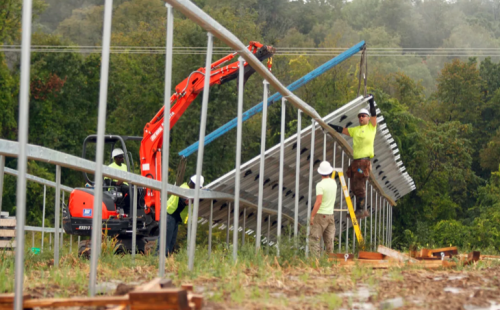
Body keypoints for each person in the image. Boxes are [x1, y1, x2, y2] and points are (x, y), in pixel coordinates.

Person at [329, 95, 377, 219]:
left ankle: (361, 210)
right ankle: (358, 209)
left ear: (367, 118)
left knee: (360, 184)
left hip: (364, 162)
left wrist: (371, 102)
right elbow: (342, 130)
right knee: (354, 185)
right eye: (359, 116)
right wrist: (329, 125)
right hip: (356, 163)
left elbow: (374, 114)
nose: (361, 118)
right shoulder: (355, 130)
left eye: (363, 116)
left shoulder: (371, 128)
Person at [157, 175, 204, 256]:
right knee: (165, 242)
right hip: (168, 215)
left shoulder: (189, 190)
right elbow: (186, 201)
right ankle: (157, 260)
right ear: (193, 184)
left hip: (174, 217)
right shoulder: (184, 189)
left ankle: (165, 261)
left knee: (171, 242)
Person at [310, 161, 337, 257]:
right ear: (329, 172)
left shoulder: (320, 185)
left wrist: (312, 215)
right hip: (330, 216)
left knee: (314, 240)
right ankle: (330, 262)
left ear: (320, 172)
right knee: (329, 241)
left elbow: (318, 202)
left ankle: (315, 262)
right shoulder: (334, 183)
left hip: (320, 215)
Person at [105, 148, 130, 214]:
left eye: (122, 157)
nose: (122, 158)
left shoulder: (125, 166)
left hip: (125, 186)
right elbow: (107, 181)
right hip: (115, 188)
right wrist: (116, 183)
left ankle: (130, 211)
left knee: (135, 191)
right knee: (125, 190)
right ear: (115, 158)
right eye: (120, 157)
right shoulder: (110, 167)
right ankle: (121, 210)